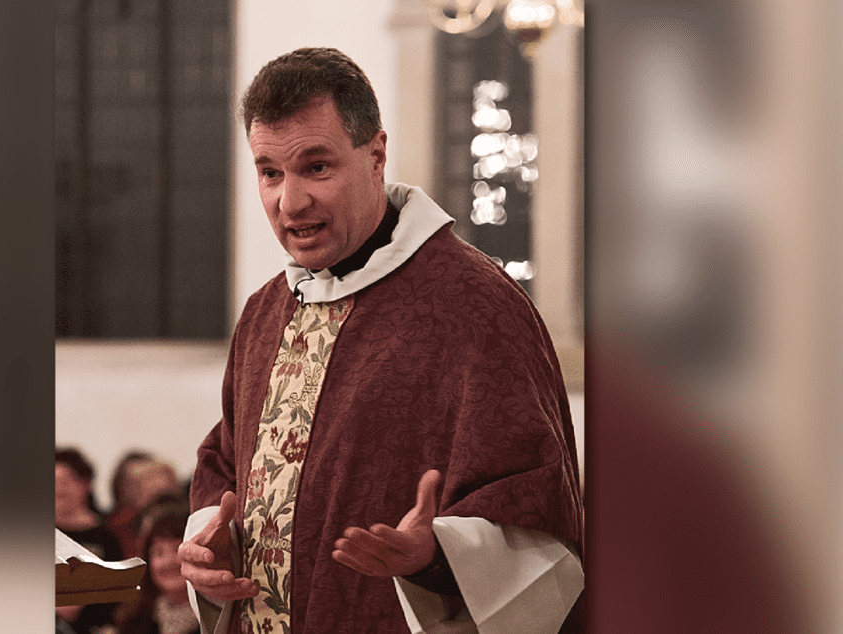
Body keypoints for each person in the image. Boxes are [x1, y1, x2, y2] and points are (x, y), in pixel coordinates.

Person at [178, 47, 584, 634]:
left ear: (376, 155)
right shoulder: (266, 312)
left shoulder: (473, 307)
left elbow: (537, 513)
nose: (290, 203)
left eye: (316, 167)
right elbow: (224, 465)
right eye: (270, 172)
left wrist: (439, 556)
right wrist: (208, 546)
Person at [56, 446, 125, 634]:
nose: (58, 489)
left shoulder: (107, 534)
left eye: (65, 481)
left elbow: (119, 587)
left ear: (85, 484)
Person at [116, 493, 201, 634]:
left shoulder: (219, 619)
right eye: (158, 552)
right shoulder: (134, 620)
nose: (168, 562)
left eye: (177, 549)